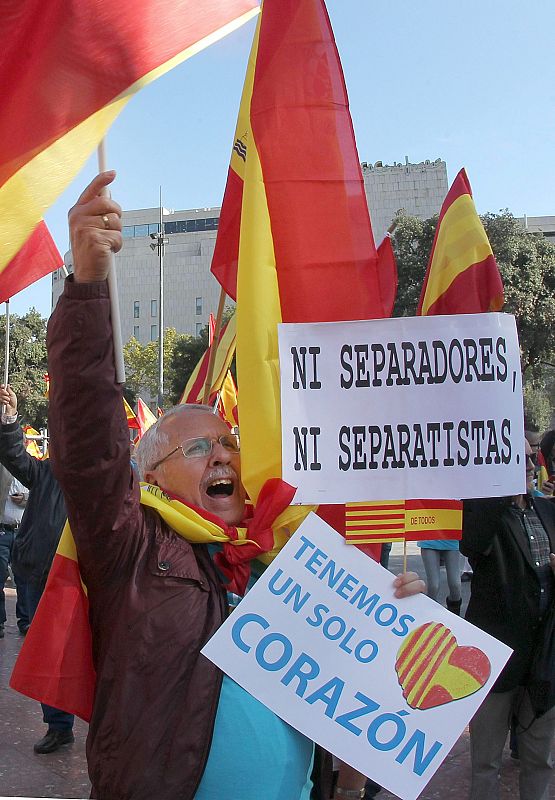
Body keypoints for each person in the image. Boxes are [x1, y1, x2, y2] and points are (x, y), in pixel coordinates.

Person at [44, 170, 425, 800]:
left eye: (229, 443)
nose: (222, 455)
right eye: (199, 446)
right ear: (151, 475)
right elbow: (87, 446)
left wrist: (385, 622)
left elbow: (353, 700)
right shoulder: (132, 551)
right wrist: (86, 288)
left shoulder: (288, 557)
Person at [461, 438, 555, 800]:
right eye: (521, 459)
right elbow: (472, 544)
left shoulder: (548, 512)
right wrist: (500, 491)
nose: (531, 465)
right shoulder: (484, 514)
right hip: (494, 660)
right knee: (486, 762)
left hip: (543, 661)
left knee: (540, 758)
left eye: (532, 458)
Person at [0, 386, 75, 753]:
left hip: (81, 581)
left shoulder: (102, 480)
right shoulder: (43, 473)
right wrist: (10, 417)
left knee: (87, 652)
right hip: (35, 575)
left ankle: (114, 728)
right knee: (48, 654)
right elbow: (13, 454)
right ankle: (58, 726)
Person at [0, 470, 29, 637]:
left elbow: (39, 494)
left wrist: (24, 498)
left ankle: (25, 621)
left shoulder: (31, 470)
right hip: (3, 531)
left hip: (23, 531)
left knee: (24, 579)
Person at [417, 537, 462, 614]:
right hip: (429, 539)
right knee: (434, 586)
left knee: (455, 585)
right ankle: (430, 615)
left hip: (451, 539)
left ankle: (454, 617)